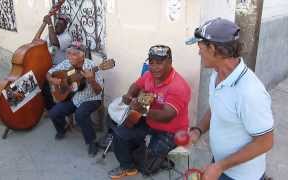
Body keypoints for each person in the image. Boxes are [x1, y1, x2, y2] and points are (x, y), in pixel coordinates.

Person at [186, 18, 274, 180]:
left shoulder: (249, 92)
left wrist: (220, 166)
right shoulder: (216, 74)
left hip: (242, 176)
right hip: (221, 165)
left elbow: (265, 142)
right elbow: (216, 107)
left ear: (212, 48)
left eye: (200, 48)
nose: (199, 53)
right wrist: (198, 130)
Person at [108, 45, 191, 179]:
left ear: (170, 62)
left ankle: (157, 156)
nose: (154, 67)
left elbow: (167, 116)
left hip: (171, 131)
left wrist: (144, 110)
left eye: (159, 63)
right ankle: (127, 167)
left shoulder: (179, 86)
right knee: (120, 133)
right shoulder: (148, 75)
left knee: (146, 168)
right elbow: (136, 86)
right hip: (149, 122)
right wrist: (129, 94)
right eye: (151, 63)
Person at [46, 46, 103, 157]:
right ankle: (61, 129)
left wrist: (91, 80)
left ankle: (92, 142)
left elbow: (98, 91)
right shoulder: (67, 63)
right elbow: (48, 74)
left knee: (80, 114)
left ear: (82, 56)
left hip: (91, 98)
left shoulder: (91, 66)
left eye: (73, 54)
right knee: (53, 113)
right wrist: (53, 80)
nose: (69, 56)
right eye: (68, 53)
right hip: (74, 97)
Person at [42, 15, 72, 111]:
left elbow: (55, 43)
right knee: (41, 83)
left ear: (65, 27)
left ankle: (57, 109)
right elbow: (43, 45)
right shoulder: (51, 33)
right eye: (56, 24)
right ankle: (49, 108)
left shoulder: (67, 37)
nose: (57, 26)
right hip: (47, 65)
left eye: (60, 25)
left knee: (52, 87)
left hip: (60, 68)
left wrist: (50, 24)